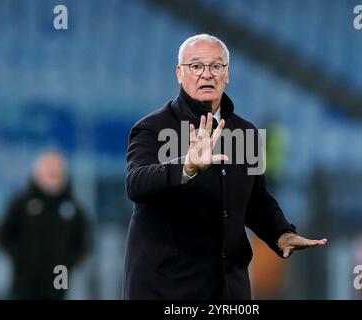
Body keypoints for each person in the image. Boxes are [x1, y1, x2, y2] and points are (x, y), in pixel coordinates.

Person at [123, 34, 327, 299]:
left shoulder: (247, 133)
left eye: (216, 66)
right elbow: (136, 184)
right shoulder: (152, 127)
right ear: (179, 73)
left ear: (227, 74)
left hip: (228, 290)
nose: (207, 74)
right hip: (166, 289)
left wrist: (281, 233)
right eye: (196, 66)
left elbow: (256, 200)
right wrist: (186, 167)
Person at [0, 151, 90, 299]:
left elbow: (84, 241)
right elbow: (2, 235)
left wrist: (67, 262)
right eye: (49, 171)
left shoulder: (73, 207)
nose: (54, 175)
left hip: (60, 276)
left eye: (57, 171)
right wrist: (22, 258)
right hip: (25, 280)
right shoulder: (21, 203)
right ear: (38, 173)